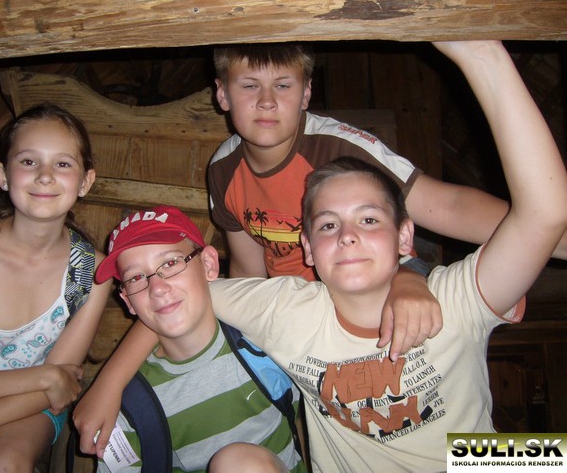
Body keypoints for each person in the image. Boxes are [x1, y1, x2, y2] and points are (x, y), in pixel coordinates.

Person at [205, 41, 567, 471]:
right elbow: (210, 284)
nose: (348, 236)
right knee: (235, 462)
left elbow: (519, 213)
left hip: (464, 460)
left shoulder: (452, 303)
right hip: (304, 333)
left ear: (404, 235)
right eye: (328, 224)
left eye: (369, 219)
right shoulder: (288, 316)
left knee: (547, 456)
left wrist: (483, 55)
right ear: (307, 245)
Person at [207, 40, 567, 281]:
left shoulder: (339, 148)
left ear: (306, 93)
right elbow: (248, 271)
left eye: (283, 85)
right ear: (222, 94)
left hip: (366, 296)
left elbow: (448, 204)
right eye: (249, 85)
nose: (266, 101)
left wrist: (553, 238)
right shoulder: (223, 170)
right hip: (295, 318)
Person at [0, 103, 111, 471]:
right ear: (2, 174)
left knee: (5, 463)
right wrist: (45, 374)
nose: (45, 176)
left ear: (85, 181)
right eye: (29, 161)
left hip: (31, 407)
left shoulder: (90, 272)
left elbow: (57, 390)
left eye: (63, 164)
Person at [90, 205, 306, 473]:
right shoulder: (128, 403)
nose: (157, 288)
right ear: (127, 301)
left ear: (208, 265)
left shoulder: (263, 342)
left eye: (170, 263)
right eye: (135, 278)